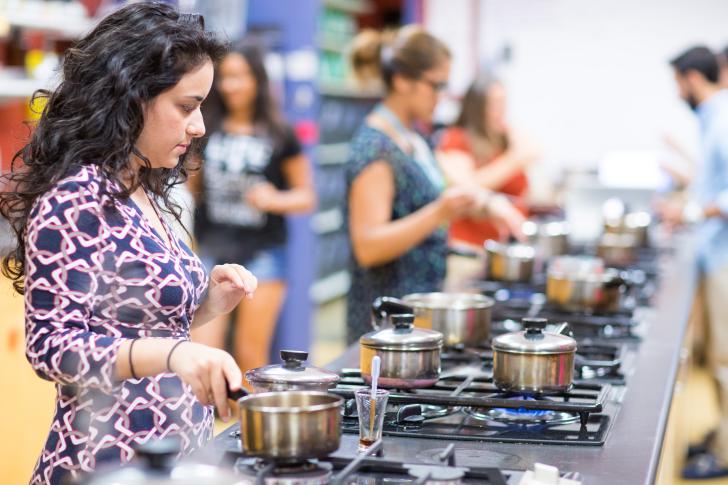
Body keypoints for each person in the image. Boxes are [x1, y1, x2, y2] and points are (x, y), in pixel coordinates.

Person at [0, 4, 258, 483]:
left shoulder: (146, 189)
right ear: (132, 98)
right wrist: (175, 354)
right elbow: (52, 348)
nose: (200, 126)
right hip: (103, 462)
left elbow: (133, 320)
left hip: (170, 456)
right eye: (186, 106)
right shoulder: (76, 197)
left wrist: (208, 304)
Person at [345, 26, 526, 344]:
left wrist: (486, 205)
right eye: (436, 85)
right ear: (402, 80)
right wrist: (439, 212)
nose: (442, 96)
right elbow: (368, 247)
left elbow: (444, 192)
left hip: (413, 319)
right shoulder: (376, 147)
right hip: (387, 325)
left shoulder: (413, 137)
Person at [189, 43, 316, 374]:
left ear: (258, 80)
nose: (232, 85)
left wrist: (275, 199)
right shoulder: (206, 126)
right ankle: (208, 426)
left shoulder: (280, 133)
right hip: (212, 247)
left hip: (265, 253)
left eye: (241, 76)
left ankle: (250, 425)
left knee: (250, 352)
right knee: (202, 352)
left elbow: (306, 196)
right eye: (226, 77)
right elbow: (194, 188)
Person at [660, 45, 728, 479]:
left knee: (726, 361)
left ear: (690, 78)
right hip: (716, 253)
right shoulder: (712, 119)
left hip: (726, 258)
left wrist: (687, 212)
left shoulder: (721, 117)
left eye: (677, 82)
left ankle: (725, 453)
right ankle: (722, 433)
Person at [437, 74, 539, 246]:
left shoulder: (506, 137)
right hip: (473, 248)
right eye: (494, 103)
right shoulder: (458, 138)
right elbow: (466, 186)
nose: (501, 110)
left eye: (503, 102)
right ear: (477, 107)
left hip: (508, 242)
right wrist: (513, 159)